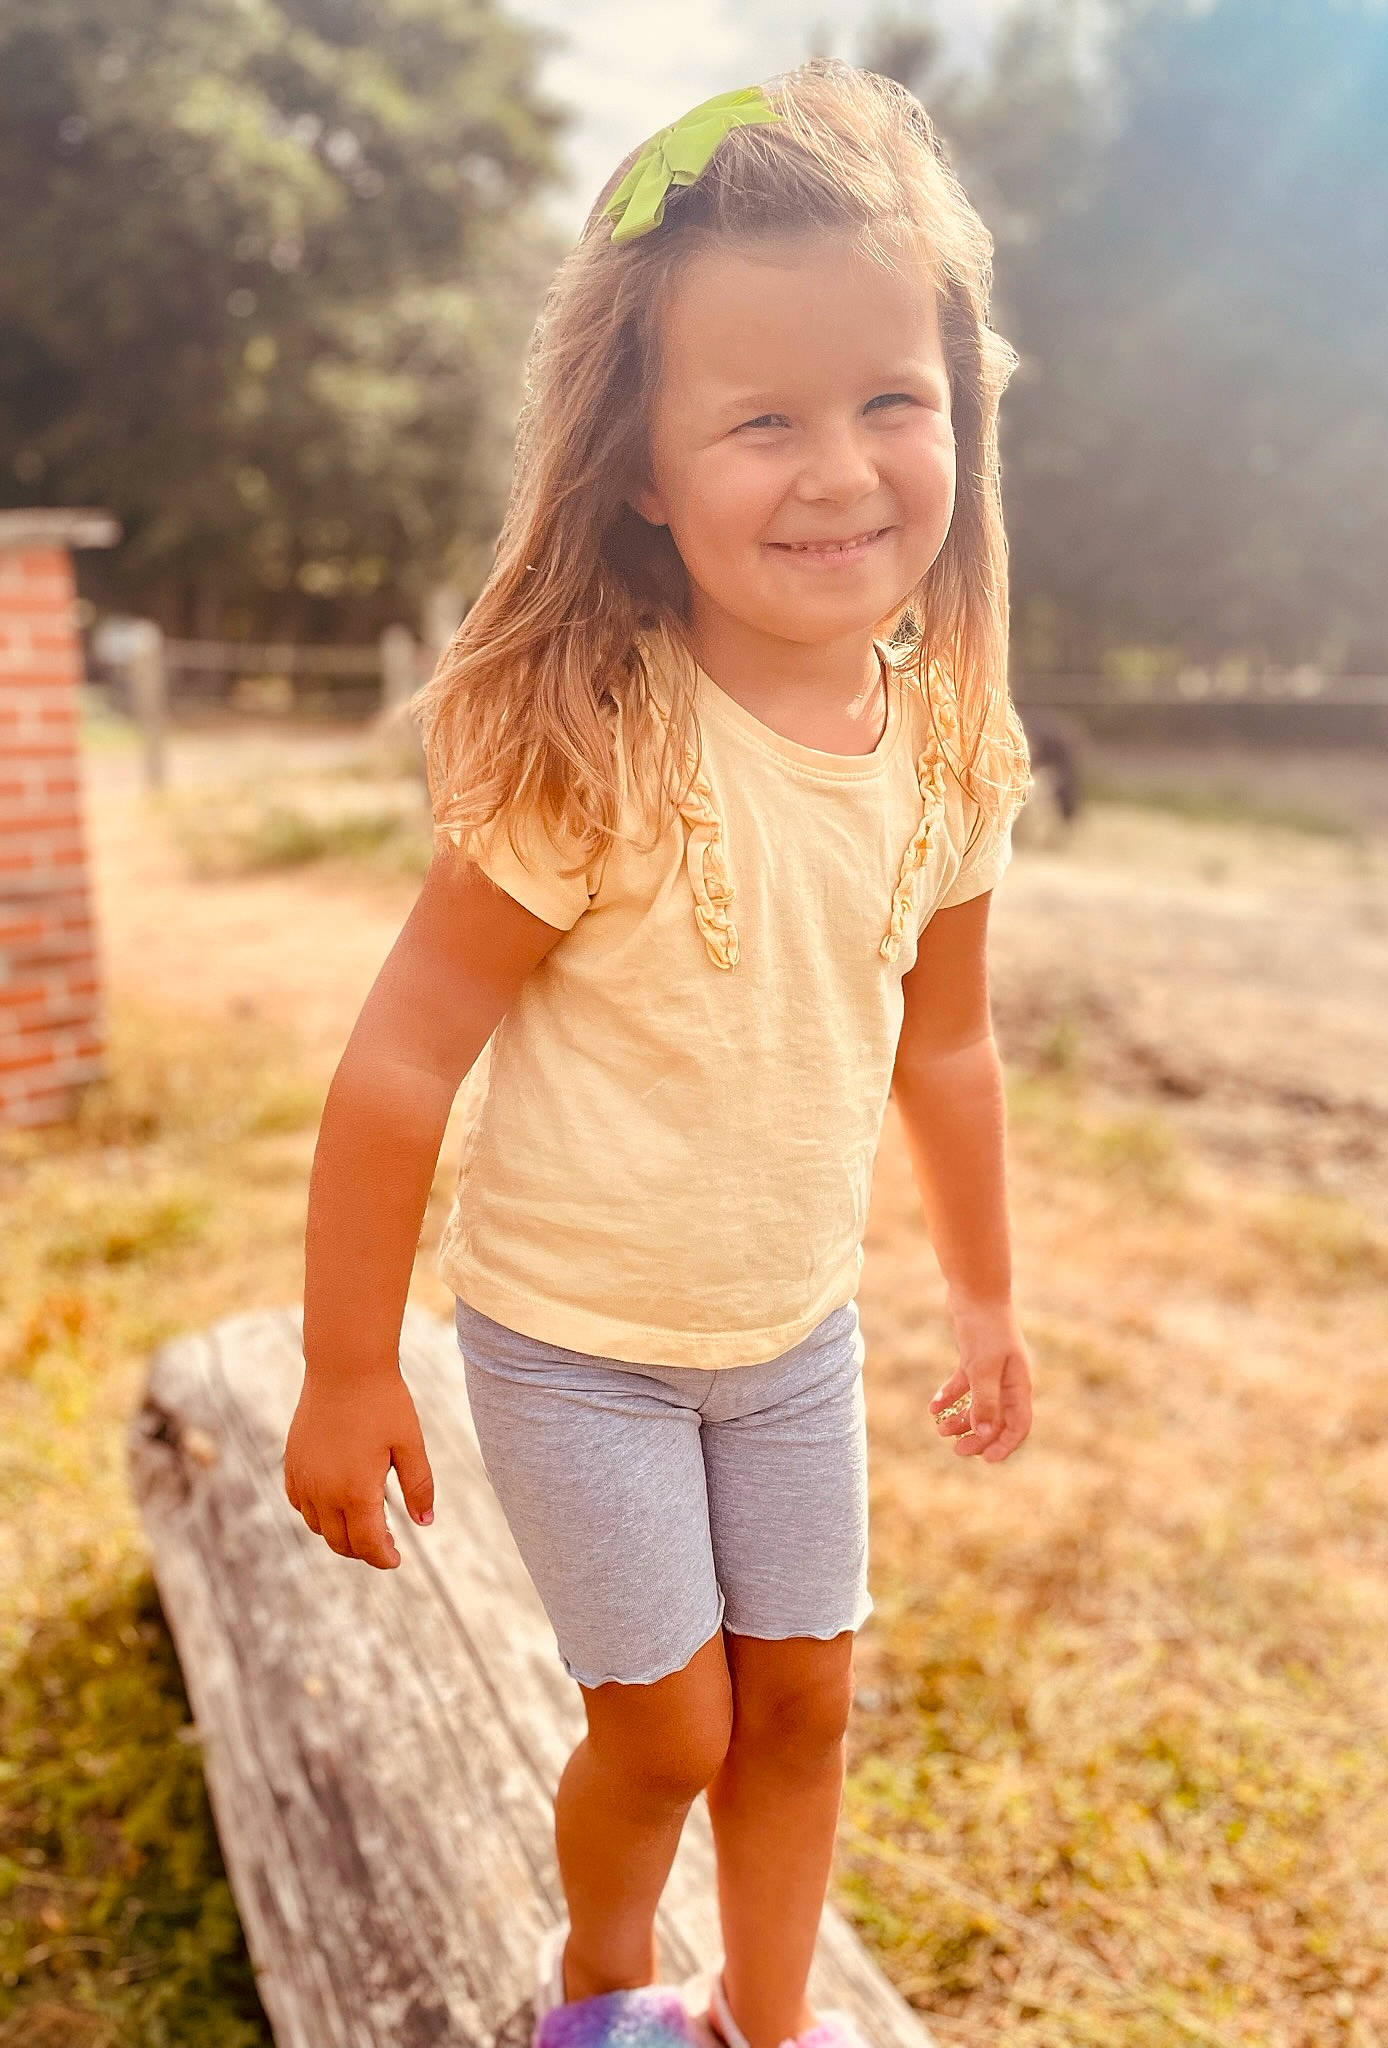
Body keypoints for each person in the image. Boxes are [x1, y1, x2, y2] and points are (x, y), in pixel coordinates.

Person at [284, 58, 1036, 2048]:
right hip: (578, 1342)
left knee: (803, 1706)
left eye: (892, 402)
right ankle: (604, 1986)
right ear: (641, 466)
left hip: (792, 1341)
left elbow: (944, 1050)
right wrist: (351, 1360)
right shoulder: (602, 742)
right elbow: (397, 1062)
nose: (843, 467)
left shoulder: (952, 747)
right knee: (671, 1728)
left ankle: (763, 2022)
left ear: (958, 410)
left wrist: (982, 1297)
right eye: (762, 419)